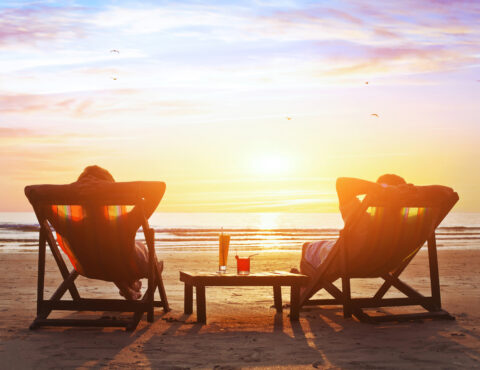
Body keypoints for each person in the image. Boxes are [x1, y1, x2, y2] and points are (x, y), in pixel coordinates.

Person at [48, 165, 153, 300]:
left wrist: (73, 189)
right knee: (138, 249)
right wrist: (107, 188)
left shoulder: (70, 226)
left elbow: (31, 192)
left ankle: (128, 287)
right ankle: (132, 282)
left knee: (109, 255)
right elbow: (159, 188)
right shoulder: (124, 223)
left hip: (91, 268)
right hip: (129, 267)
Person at [295, 174, 408, 276]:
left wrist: (383, 189)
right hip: (384, 264)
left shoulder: (363, 220)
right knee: (325, 249)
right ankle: (305, 282)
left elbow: (342, 183)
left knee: (308, 248)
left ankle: (302, 287)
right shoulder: (406, 225)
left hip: (350, 261)